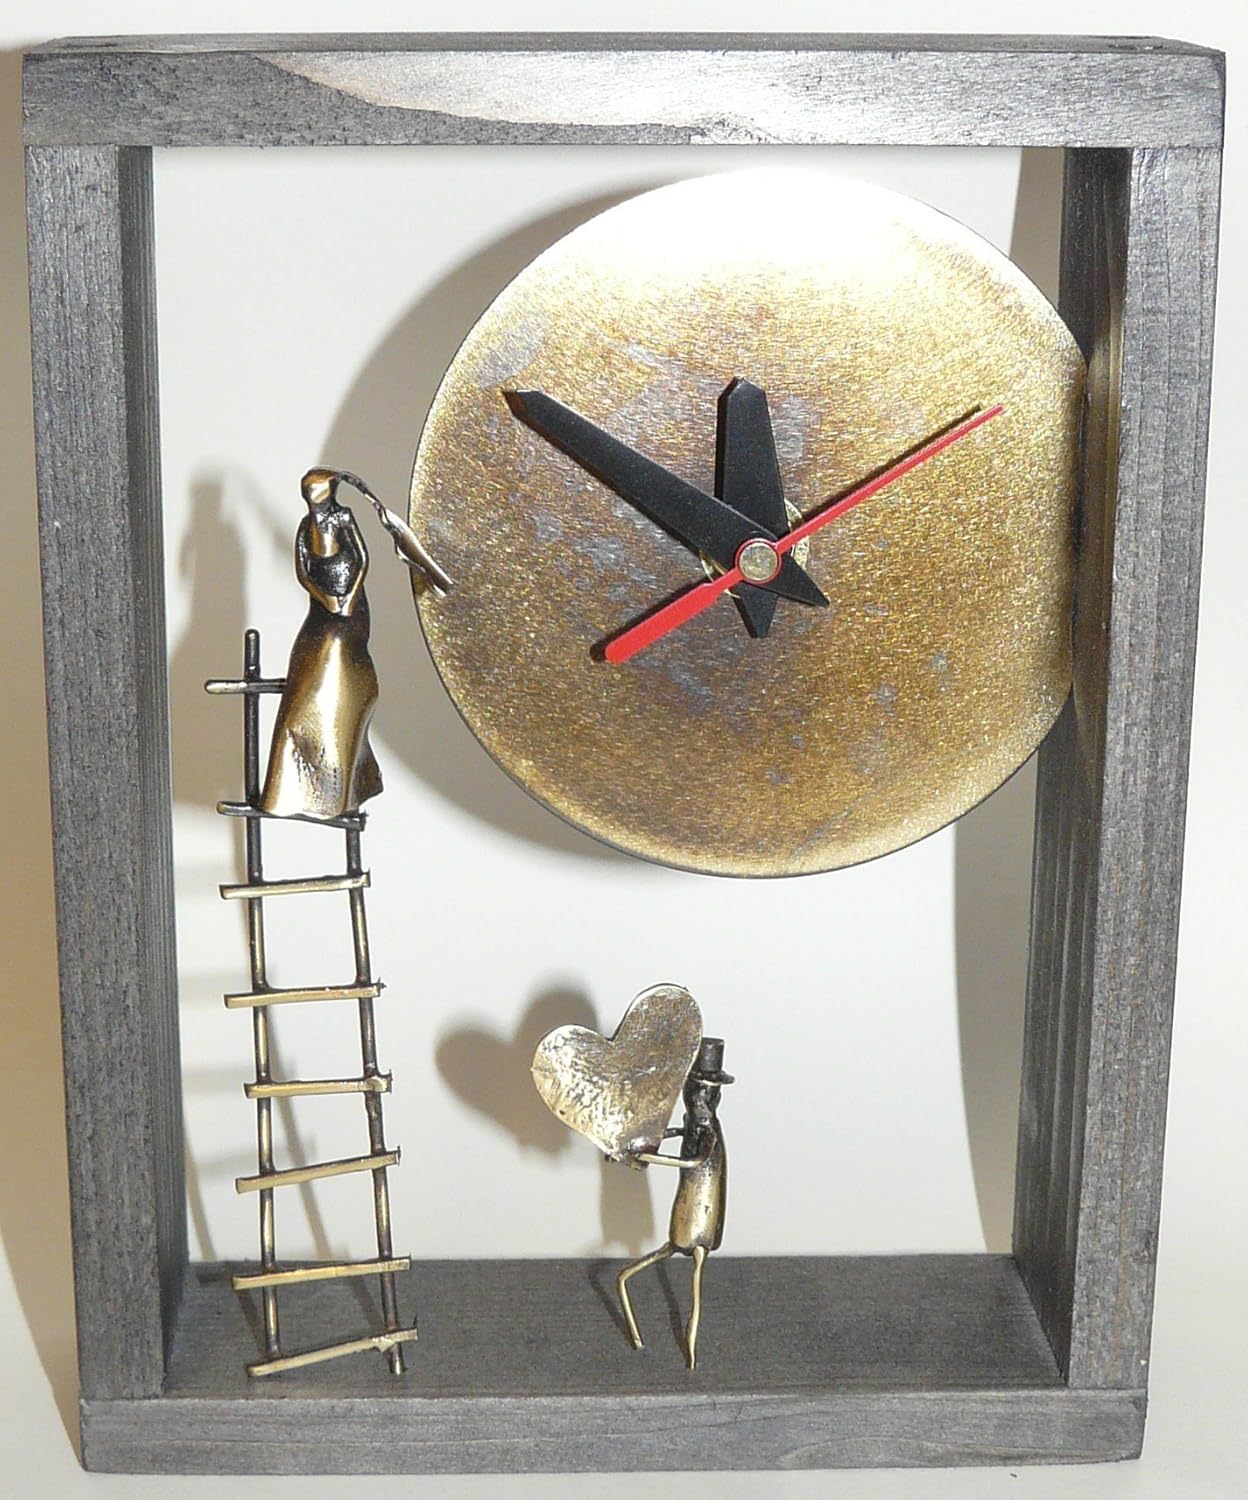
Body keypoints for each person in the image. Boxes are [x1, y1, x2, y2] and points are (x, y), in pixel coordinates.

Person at [258, 469, 382, 822]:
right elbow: (302, 569)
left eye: (316, 492)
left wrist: (348, 597)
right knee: (309, 663)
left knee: (337, 654)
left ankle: (340, 782)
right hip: (322, 608)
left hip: (351, 610)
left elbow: (362, 559)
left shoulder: (343, 518)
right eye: (307, 493)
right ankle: (294, 783)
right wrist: (323, 598)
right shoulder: (306, 526)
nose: (312, 499)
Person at [616, 1038, 733, 1370]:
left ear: (714, 1097)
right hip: (684, 1217)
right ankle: (640, 1341)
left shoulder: (709, 1132)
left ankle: (691, 1362)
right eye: (693, 1091)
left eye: (703, 1093)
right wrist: (634, 1146)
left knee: (695, 1294)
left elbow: (694, 1162)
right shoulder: (694, 1126)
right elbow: (665, 1136)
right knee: (624, 1278)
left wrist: (648, 1156)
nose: (696, 1099)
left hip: (701, 1222)